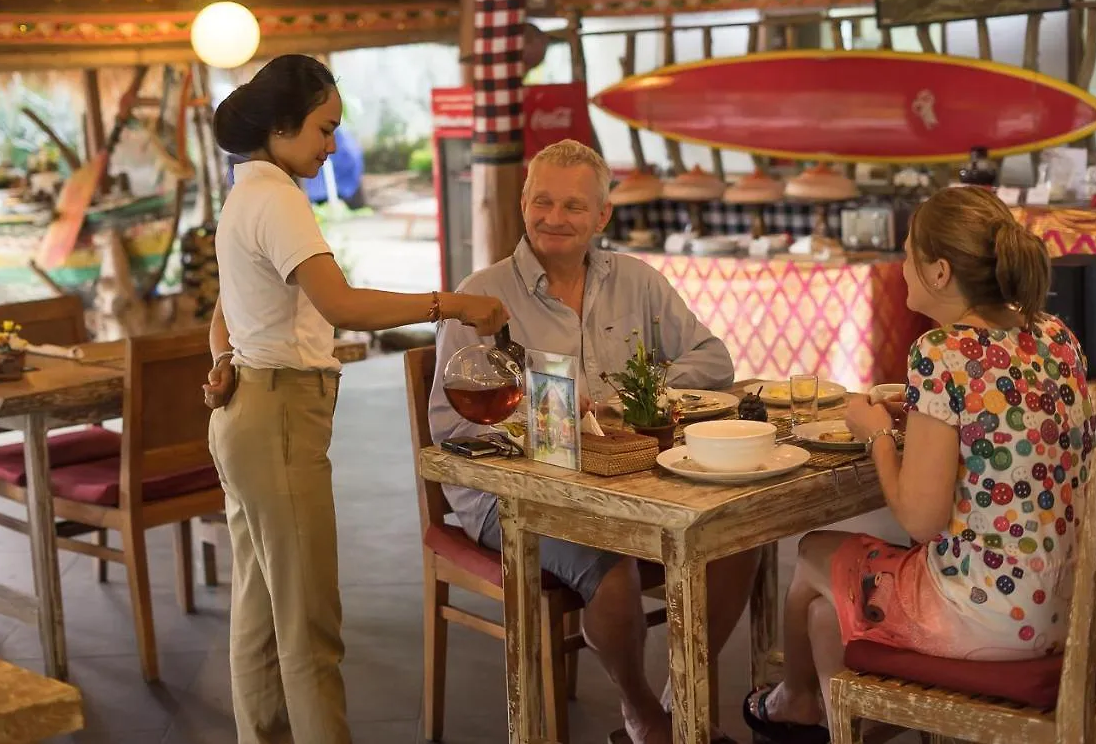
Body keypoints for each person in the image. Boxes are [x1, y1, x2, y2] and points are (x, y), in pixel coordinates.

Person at [201, 54, 508, 744]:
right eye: (323, 128)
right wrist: (452, 303)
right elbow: (340, 302)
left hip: (246, 414)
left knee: (260, 615)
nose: (332, 145)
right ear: (281, 125)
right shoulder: (276, 197)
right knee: (310, 628)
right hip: (277, 419)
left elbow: (222, 312)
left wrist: (223, 359)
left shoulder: (244, 192)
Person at [429, 140, 759, 744]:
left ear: (602, 216)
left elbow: (713, 358)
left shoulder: (636, 280)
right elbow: (452, 430)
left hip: (626, 475)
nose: (555, 218)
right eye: (543, 201)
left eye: (574, 206)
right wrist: (537, 421)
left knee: (737, 538)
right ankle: (640, 713)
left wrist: (638, 393)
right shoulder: (482, 296)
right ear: (523, 202)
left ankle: (682, 699)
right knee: (610, 568)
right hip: (516, 500)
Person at [742, 187, 1095, 744]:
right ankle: (831, 714)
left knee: (812, 553)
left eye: (907, 253)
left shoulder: (942, 351)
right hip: (1072, 600)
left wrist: (877, 433)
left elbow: (919, 522)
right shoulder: (1054, 335)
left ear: (938, 271)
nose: (899, 265)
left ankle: (801, 700)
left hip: (993, 614)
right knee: (822, 616)